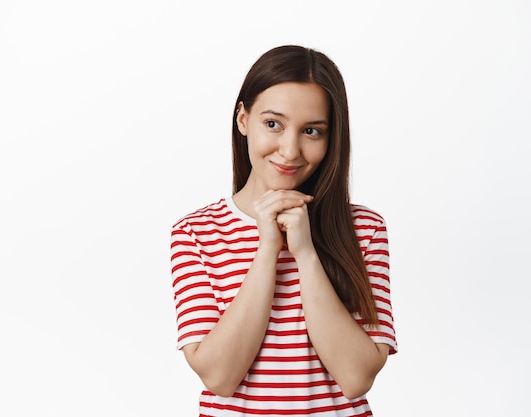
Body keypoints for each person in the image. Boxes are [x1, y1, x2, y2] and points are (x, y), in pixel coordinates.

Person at [169, 45, 397, 416]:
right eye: (273, 124)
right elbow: (220, 377)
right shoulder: (196, 232)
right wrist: (267, 249)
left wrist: (306, 253)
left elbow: (356, 378)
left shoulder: (364, 229)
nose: (290, 150)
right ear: (243, 119)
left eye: (311, 130)